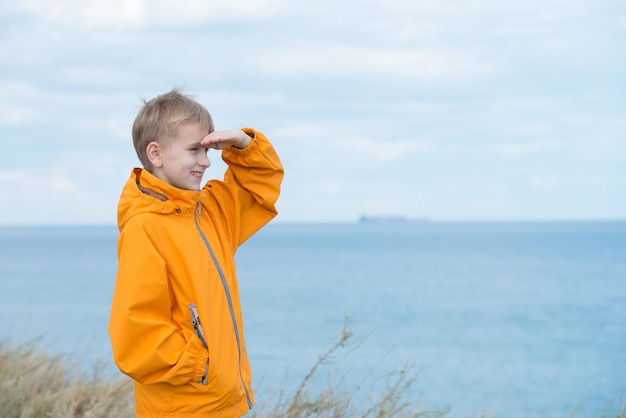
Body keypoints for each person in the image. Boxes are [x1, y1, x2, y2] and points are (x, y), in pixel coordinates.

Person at [108, 88, 283, 417]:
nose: (205, 161)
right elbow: (136, 331)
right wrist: (200, 366)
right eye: (193, 150)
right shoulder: (145, 227)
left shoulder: (210, 212)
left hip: (222, 403)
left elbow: (258, 189)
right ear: (156, 154)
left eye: (207, 150)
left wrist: (244, 144)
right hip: (185, 407)